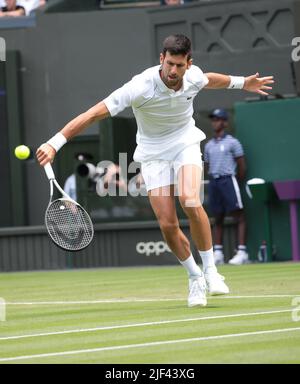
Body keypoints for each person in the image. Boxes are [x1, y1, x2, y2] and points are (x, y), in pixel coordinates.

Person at [36, 34, 274, 308]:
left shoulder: (194, 76)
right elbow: (92, 114)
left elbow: (210, 78)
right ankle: (194, 277)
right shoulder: (140, 86)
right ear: (161, 59)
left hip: (185, 143)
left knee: (190, 199)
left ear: (188, 64)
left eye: (179, 65)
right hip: (152, 155)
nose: (173, 71)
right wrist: (55, 143)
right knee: (167, 224)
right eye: (169, 64)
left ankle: (211, 271)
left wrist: (244, 83)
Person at [204, 108, 248, 265]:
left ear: (225, 123)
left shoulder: (233, 142)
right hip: (214, 182)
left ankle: (242, 252)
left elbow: (242, 166)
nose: (215, 122)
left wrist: (234, 180)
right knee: (218, 217)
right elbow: (207, 165)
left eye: (218, 119)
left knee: (238, 215)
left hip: (228, 180)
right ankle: (218, 253)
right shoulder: (208, 145)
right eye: (213, 119)